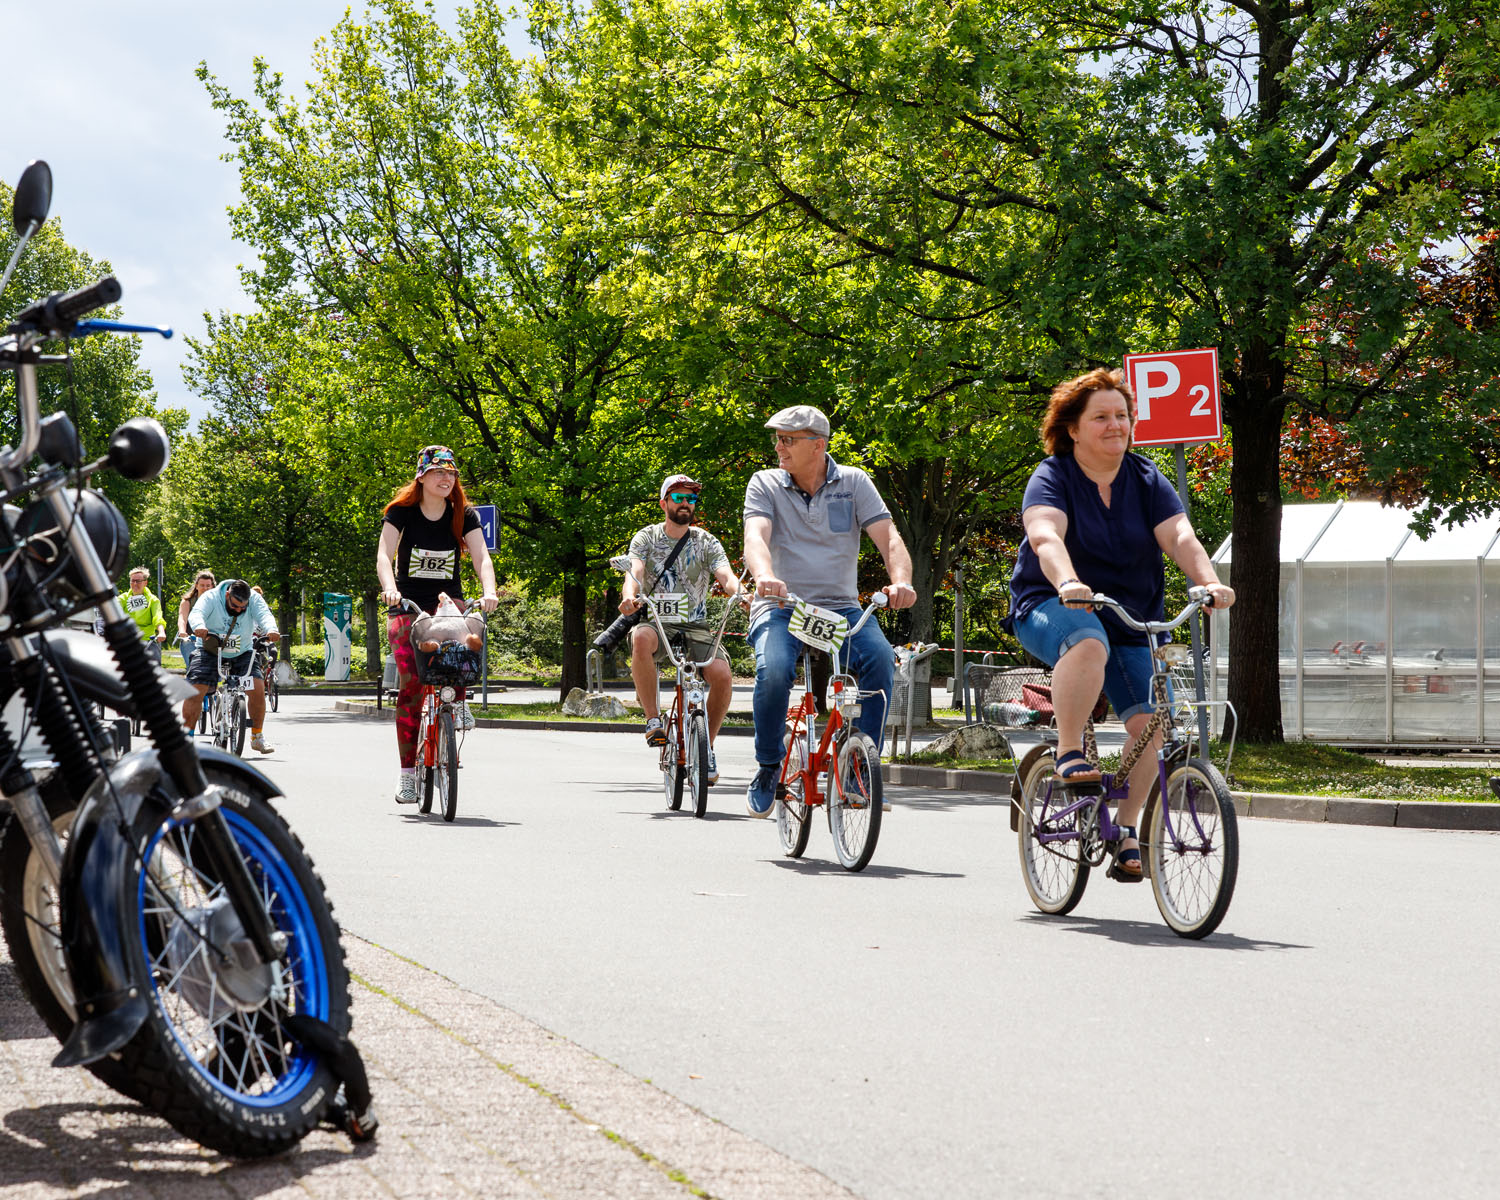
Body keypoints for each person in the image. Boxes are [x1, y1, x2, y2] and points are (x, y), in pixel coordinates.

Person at [1007, 367, 1235, 880]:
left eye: (1123, 415)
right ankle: (1068, 752)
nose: (1116, 425)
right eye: (1102, 417)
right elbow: (1046, 536)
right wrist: (1067, 582)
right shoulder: (1053, 475)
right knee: (1087, 642)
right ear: (1074, 429)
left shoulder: (1146, 478)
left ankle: (1126, 830)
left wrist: (1208, 582)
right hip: (1052, 603)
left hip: (1133, 616)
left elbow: (1179, 536)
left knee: (1152, 726)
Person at [742, 405, 917, 817]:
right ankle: (769, 766)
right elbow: (756, 537)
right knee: (774, 672)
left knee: (878, 659)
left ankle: (857, 768)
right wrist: (764, 575)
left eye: (788, 439)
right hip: (783, 605)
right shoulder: (765, 483)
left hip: (840, 608)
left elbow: (888, 538)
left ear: (817, 445)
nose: (779, 447)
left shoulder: (854, 483)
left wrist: (902, 581)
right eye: (777, 438)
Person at [377, 444, 499, 805]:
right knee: (412, 684)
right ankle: (407, 775)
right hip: (408, 605)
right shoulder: (401, 513)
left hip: (448, 606)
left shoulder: (464, 514)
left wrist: (489, 590)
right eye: (439, 472)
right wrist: (390, 589)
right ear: (422, 477)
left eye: (451, 473)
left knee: (468, 637)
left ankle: (458, 702)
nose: (446, 479)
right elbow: (385, 555)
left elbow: (481, 556)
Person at [620, 474, 743, 785]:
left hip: (696, 625)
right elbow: (634, 571)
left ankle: (707, 747)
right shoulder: (646, 538)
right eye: (678, 497)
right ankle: (652, 720)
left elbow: (725, 575)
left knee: (722, 674)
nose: (686, 503)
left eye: (691, 498)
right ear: (664, 503)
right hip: (657, 621)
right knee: (640, 638)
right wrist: (629, 596)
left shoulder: (706, 541)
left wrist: (740, 594)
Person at [182, 577, 283, 753]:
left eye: (242, 608)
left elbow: (264, 615)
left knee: (258, 688)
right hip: (210, 649)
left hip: (242, 652)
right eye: (235, 606)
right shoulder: (211, 597)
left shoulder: (254, 598)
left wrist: (271, 629)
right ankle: (187, 738)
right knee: (196, 689)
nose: (239, 610)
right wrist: (199, 626)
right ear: (228, 594)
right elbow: (196, 613)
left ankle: (257, 736)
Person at [123, 566, 167, 664]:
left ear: (145, 583)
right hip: (128, 640)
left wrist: (161, 632)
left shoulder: (153, 600)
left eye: (138, 581)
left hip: (148, 640)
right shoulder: (123, 598)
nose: (135, 584)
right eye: (132, 581)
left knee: (154, 664)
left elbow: (158, 617)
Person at [177, 568, 216, 666]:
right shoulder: (188, 601)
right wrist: (182, 632)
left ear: (212, 586)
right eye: (202, 585)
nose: (205, 588)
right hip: (191, 638)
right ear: (196, 586)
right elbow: (182, 618)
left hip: (211, 640)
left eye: (208, 585)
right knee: (194, 667)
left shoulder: (218, 602)